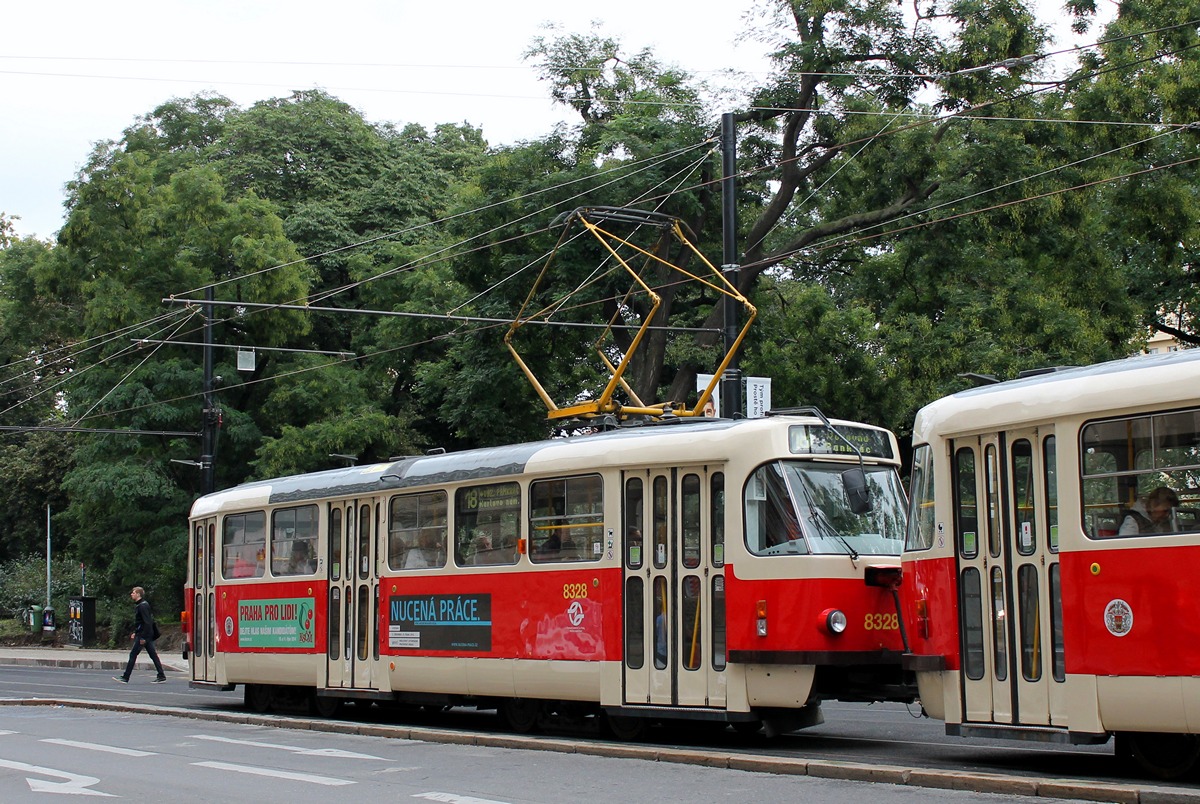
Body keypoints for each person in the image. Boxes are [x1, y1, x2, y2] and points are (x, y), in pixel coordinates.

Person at [114, 586, 166, 683]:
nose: (131, 594)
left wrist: (143, 637)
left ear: (138, 594)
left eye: (133, 593)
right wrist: (136, 632)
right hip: (145, 634)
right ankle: (161, 675)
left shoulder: (142, 606)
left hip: (143, 636)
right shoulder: (142, 605)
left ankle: (125, 677)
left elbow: (147, 622)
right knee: (153, 655)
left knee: (133, 654)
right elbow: (142, 622)